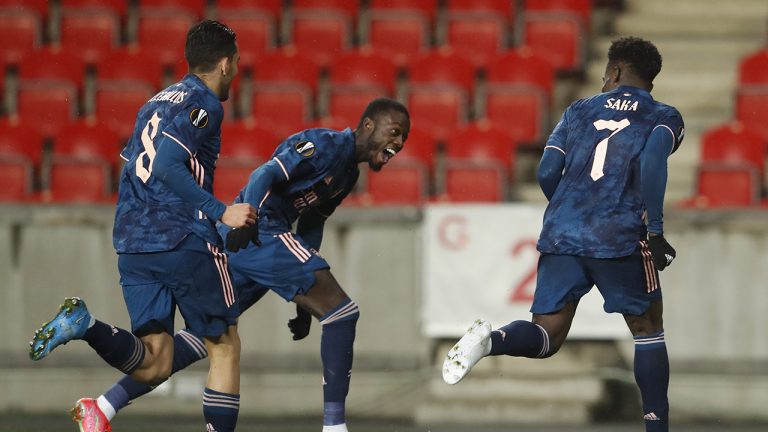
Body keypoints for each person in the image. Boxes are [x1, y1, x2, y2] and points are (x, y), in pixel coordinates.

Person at [69, 97, 411, 432]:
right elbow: (265, 174)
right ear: (368, 124)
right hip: (258, 231)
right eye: (394, 132)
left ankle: (102, 407)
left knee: (207, 336)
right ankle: (334, 426)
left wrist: (306, 303)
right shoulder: (326, 144)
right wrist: (250, 221)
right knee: (342, 313)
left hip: (249, 238)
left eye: (403, 138)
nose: (398, 143)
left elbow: (311, 224)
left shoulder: (347, 173)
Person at [442, 36, 684, 432]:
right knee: (647, 329)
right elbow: (654, 162)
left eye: (606, 73)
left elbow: (545, 172)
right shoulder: (663, 115)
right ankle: (656, 427)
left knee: (546, 335)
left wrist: (571, 209)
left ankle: (491, 342)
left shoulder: (576, 111)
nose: (605, 79)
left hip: (562, 233)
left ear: (617, 71)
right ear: (647, 80)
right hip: (618, 234)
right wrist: (655, 232)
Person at [28, 20, 257, 432]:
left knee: (155, 362)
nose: (236, 72)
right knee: (224, 345)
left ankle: (86, 326)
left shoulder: (153, 103)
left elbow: (136, 167)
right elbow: (168, 164)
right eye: (236, 63)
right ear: (225, 64)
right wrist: (221, 211)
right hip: (182, 236)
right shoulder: (206, 103)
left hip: (134, 242)